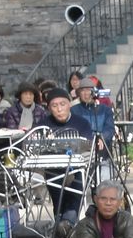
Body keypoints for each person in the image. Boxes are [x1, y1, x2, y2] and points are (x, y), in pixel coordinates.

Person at [41, 88, 96, 228]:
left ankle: (68, 223)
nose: (59, 109)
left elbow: (88, 147)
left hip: (77, 168)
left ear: (69, 104)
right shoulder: (43, 124)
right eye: (54, 106)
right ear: (49, 108)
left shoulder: (82, 123)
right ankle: (61, 223)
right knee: (57, 196)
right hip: (53, 168)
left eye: (62, 104)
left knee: (75, 193)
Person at [72, 82, 116, 150]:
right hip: (82, 147)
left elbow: (110, 128)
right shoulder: (74, 110)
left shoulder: (105, 110)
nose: (86, 93)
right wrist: (89, 139)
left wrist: (102, 138)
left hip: (102, 147)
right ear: (79, 93)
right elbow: (74, 129)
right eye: (83, 90)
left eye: (89, 90)